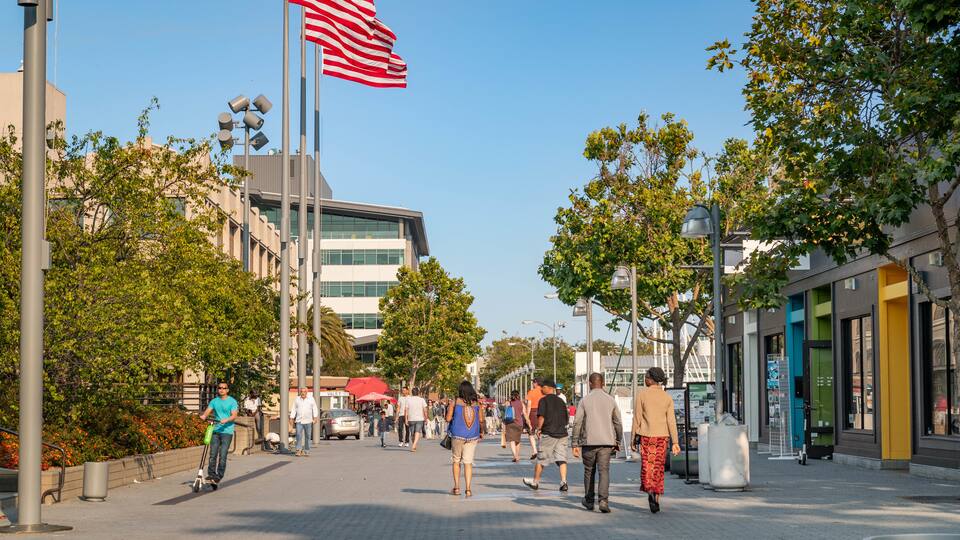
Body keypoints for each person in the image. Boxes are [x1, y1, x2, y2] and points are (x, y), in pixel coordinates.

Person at [630, 367, 680, 513]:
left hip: (646, 436)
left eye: (645, 376)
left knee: (647, 466)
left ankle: (650, 491)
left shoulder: (642, 395)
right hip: (662, 438)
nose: (644, 379)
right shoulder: (667, 397)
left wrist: (632, 439)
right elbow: (671, 421)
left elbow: (637, 418)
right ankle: (656, 497)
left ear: (651, 378)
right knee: (658, 468)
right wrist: (675, 442)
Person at [572, 372, 623, 513]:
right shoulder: (611, 400)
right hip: (606, 443)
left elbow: (577, 422)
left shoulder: (584, 400)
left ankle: (589, 500)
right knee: (604, 471)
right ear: (603, 383)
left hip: (588, 442)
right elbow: (618, 422)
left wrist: (574, 443)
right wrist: (617, 440)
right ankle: (603, 501)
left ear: (589, 383)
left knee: (589, 471)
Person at [523, 379, 569, 492]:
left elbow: (541, 417)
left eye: (543, 387)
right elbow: (566, 418)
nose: (541, 388)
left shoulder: (543, 401)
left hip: (549, 433)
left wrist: (539, 429)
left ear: (549, 388)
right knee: (561, 458)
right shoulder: (561, 401)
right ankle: (564, 482)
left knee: (542, 458)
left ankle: (535, 482)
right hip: (562, 433)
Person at [446, 381, 484, 497]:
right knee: (468, 462)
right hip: (472, 436)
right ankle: (468, 489)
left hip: (457, 435)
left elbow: (448, 419)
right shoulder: (477, 404)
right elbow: (481, 420)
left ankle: (457, 487)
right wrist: (481, 432)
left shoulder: (455, 401)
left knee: (456, 460)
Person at [199, 382, 239, 488]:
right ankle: (211, 475)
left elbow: (234, 415)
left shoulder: (232, 401)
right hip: (215, 430)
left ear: (227, 390)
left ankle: (218, 476)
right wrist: (204, 416)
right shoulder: (214, 401)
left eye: (224, 388)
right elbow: (208, 411)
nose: (221, 389)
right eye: (219, 388)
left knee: (223, 455)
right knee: (212, 454)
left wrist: (226, 419)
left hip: (227, 431)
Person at [289, 387, 319, 457]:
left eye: (304, 392)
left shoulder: (311, 399)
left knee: (308, 436)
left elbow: (314, 408)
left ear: (307, 392)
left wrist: (315, 417)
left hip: (308, 420)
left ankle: (307, 450)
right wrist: (291, 418)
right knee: (298, 435)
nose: (303, 393)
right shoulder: (297, 399)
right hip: (299, 420)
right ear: (300, 392)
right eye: (301, 391)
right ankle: (298, 450)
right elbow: (294, 409)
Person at [405, 387, 429, 452]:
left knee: (413, 433)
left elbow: (406, 410)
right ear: (418, 393)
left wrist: (406, 419)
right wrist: (426, 418)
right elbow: (425, 410)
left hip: (411, 419)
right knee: (416, 432)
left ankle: (414, 445)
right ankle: (414, 445)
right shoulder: (422, 400)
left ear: (412, 393)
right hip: (420, 419)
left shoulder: (408, 400)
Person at [524, 378, 543, 460]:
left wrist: (527, 417)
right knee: (541, 431)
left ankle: (535, 450)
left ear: (536, 383)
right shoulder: (543, 392)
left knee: (531, 432)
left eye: (533, 383)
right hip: (542, 412)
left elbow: (529, 405)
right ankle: (542, 450)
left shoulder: (531, 392)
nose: (532, 384)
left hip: (533, 412)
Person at [504, 390, 525, 462]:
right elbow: (523, 413)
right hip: (519, 423)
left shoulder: (509, 403)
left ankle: (515, 455)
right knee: (517, 440)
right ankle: (517, 455)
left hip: (510, 423)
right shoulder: (521, 403)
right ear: (518, 395)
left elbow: (505, 413)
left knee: (512, 440)